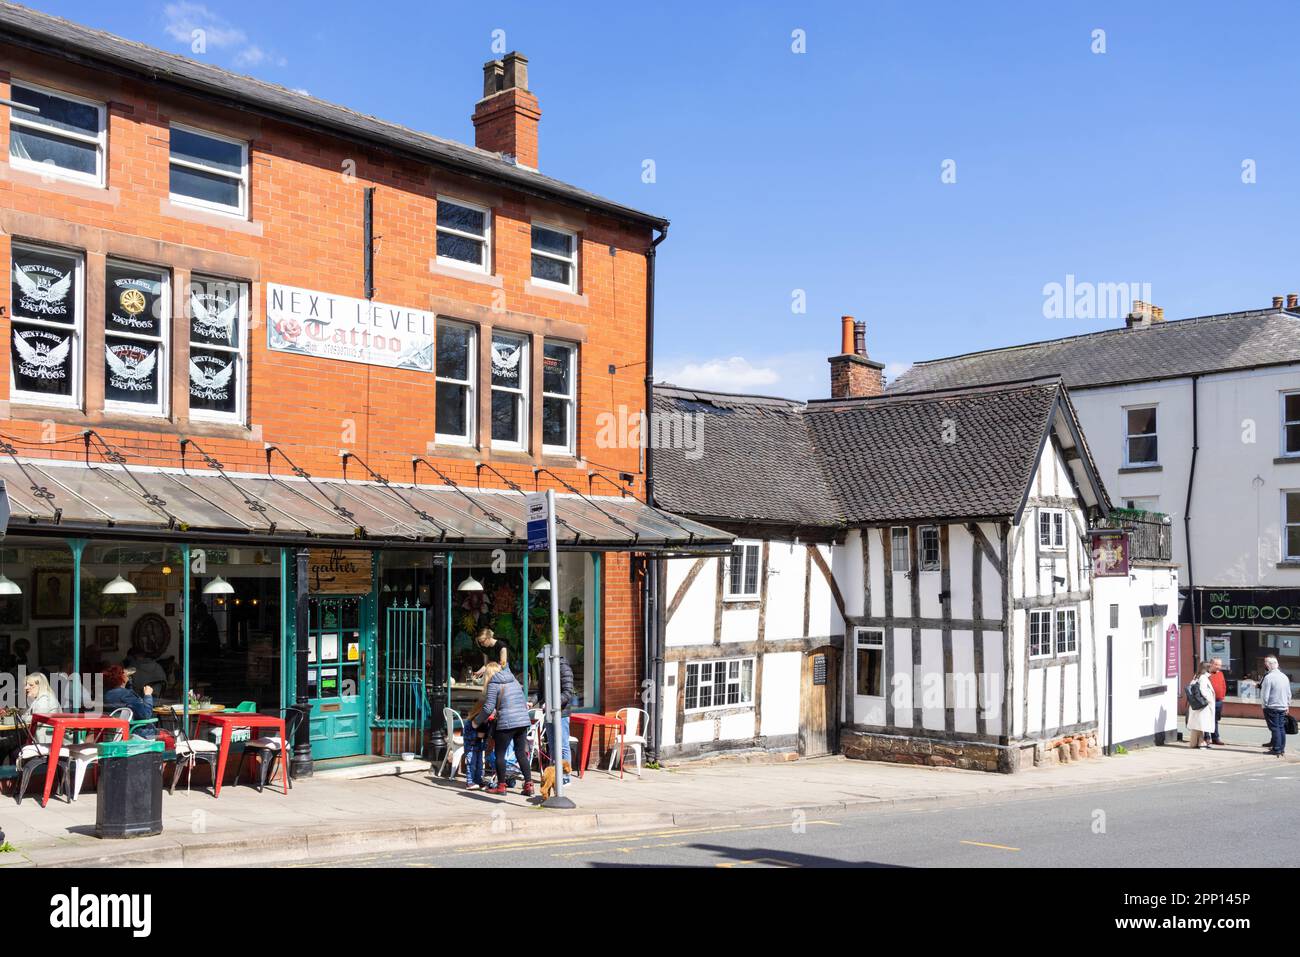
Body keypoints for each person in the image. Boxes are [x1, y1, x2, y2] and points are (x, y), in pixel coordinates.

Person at [474, 662, 532, 797]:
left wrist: (476, 722)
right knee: (521, 753)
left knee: (500, 754)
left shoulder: (494, 684)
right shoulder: (513, 680)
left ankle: (501, 786)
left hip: (506, 722)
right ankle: (529, 785)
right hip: (522, 721)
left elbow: (488, 708)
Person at [537, 650, 575, 784]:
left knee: (563, 745)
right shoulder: (544, 669)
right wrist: (535, 701)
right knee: (552, 746)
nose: (542, 662)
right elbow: (540, 691)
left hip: (562, 713)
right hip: (548, 713)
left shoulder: (564, 668)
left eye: (545, 659)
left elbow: (568, 692)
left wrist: (552, 703)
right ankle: (554, 777)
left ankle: (565, 777)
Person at [463, 661, 500, 791]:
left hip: (481, 730)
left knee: (479, 758)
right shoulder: (489, 695)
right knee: (472, 757)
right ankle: (470, 781)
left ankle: (477, 779)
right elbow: (478, 719)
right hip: (474, 730)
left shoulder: (489, 692)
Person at [101, 665, 158, 739]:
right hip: (135, 733)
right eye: (125, 674)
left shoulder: (106, 695)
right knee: (167, 734)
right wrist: (148, 695)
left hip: (115, 733)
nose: (128, 676)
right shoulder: (126, 695)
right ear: (122, 678)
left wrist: (128, 685)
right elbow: (146, 714)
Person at [1260, 656, 1292, 757]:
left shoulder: (1269, 677)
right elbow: (1289, 694)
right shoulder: (1284, 676)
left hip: (1272, 707)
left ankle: (1276, 749)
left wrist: (1265, 705)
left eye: (1266, 663)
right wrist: (1287, 705)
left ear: (1269, 665)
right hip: (1282, 706)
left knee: (1275, 728)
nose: (1265, 665)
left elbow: (1265, 694)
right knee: (1281, 728)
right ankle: (1281, 749)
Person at [1187, 661, 1216, 749]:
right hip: (1203, 706)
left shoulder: (1196, 676)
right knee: (1202, 725)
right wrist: (1210, 700)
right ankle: (1201, 743)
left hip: (1196, 705)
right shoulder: (1203, 677)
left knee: (1197, 725)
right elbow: (1203, 691)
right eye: (1210, 668)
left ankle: (1194, 743)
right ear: (1207, 668)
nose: (1211, 670)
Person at [1208, 657, 1227, 745]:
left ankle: (1215, 738)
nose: (1218, 666)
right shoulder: (1206, 674)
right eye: (1216, 664)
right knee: (1207, 719)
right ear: (1211, 664)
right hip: (1209, 701)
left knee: (1215, 720)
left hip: (1219, 700)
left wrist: (1222, 696)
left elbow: (1223, 685)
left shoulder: (1220, 673)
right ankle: (1206, 738)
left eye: (1220, 665)